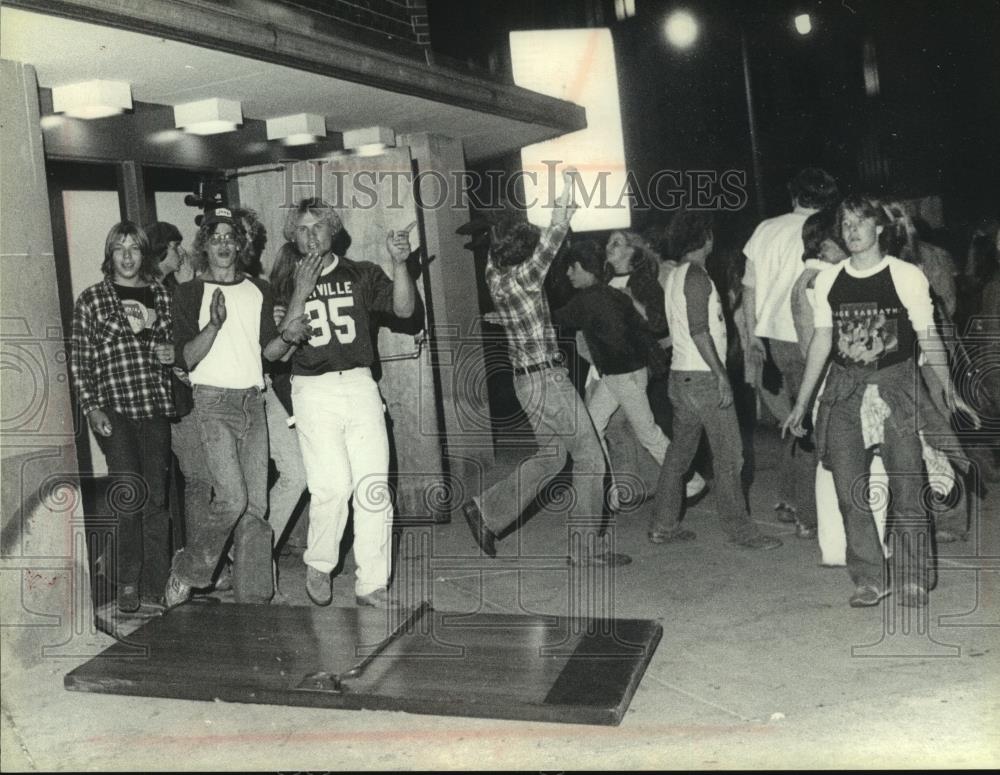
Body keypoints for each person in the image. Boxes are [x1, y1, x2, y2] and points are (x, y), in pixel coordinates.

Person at [782, 195, 979, 608]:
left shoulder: (906, 275)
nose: (852, 230)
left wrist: (949, 389)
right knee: (850, 490)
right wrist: (802, 402)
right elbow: (823, 340)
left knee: (908, 486)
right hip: (844, 391)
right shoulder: (831, 280)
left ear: (879, 228)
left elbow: (928, 335)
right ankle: (869, 577)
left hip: (896, 390)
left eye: (860, 222)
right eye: (845, 223)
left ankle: (912, 577)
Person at [461, 170, 629, 567]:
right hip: (548, 380)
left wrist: (501, 226)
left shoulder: (495, 276)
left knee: (553, 457)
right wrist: (567, 194)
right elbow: (553, 237)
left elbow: (528, 239)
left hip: (525, 383)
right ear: (523, 251)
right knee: (590, 459)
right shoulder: (525, 277)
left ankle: (485, 512)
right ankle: (584, 551)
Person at [163, 207, 312, 607]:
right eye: (216, 237)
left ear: (239, 245)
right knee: (231, 498)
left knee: (257, 507)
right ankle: (188, 569)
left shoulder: (259, 290)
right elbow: (186, 359)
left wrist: (290, 335)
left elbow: (271, 353)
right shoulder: (189, 292)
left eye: (230, 237)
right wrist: (213, 325)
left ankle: (253, 599)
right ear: (205, 246)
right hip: (212, 402)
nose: (224, 244)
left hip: (254, 399)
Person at [274, 197, 418, 609]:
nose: (310, 235)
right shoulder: (283, 283)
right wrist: (301, 291)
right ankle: (319, 562)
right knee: (331, 487)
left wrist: (399, 263)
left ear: (333, 229)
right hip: (312, 388)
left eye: (318, 226)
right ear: (293, 236)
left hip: (359, 384)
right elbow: (276, 351)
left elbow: (405, 309)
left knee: (373, 488)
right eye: (301, 229)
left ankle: (372, 582)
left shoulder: (362, 273)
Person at [648, 210, 782, 550]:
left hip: (681, 377)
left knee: (679, 455)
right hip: (702, 377)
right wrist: (721, 375)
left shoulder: (676, 275)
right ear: (705, 238)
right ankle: (742, 532)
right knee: (730, 457)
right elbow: (699, 331)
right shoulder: (696, 276)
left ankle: (663, 525)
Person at [70, 222, 176, 613]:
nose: (128, 256)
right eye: (120, 248)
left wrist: (170, 355)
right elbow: (80, 360)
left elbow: (171, 349)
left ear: (144, 254)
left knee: (157, 499)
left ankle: (156, 583)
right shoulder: (93, 299)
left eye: (134, 248)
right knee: (129, 493)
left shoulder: (161, 296)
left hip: (153, 407)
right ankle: (127, 579)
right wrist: (91, 407)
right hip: (114, 407)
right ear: (109, 255)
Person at [743, 167, 840, 538]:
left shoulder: (765, 228)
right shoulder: (825, 232)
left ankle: (787, 498)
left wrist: (752, 336)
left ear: (793, 194)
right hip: (811, 335)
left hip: (773, 339)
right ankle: (808, 516)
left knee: (795, 421)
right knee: (812, 426)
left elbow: (749, 288)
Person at [600, 230, 707, 503]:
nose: (609, 247)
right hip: (610, 365)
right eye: (609, 242)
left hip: (634, 365)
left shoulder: (643, 282)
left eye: (617, 243)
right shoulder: (605, 282)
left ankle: (688, 479)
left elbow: (659, 322)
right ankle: (624, 488)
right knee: (603, 425)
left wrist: (631, 302)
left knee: (642, 430)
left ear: (632, 252)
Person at [553, 241, 670, 486]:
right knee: (595, 427)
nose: (568, 274)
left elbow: (555, 320)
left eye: (572, 268)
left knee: (648, 434)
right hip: (621, 374)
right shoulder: (610, 294)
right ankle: (611, 490)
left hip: (624, 375)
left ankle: (690, 481)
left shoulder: (590, 299)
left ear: (585, 268)